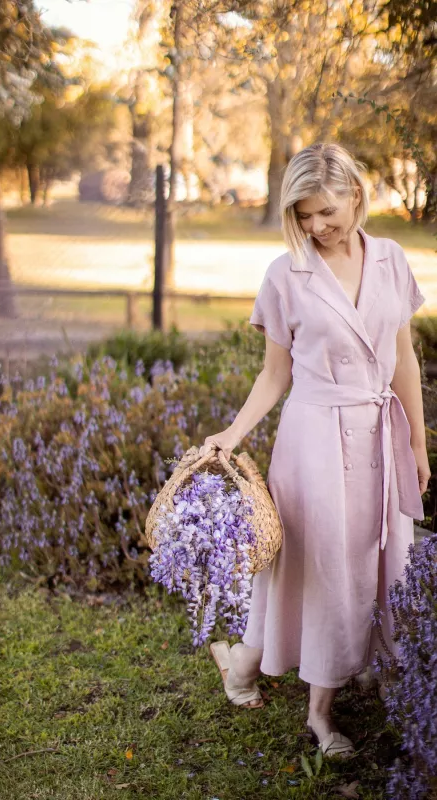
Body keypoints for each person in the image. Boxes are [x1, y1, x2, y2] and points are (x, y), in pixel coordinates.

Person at [198, 142, 431, 758]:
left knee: (379, 560)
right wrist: (231, 434)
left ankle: (245, 664)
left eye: (326, 210)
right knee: (321, 569)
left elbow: (403, 358)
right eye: (303, 214)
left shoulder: (390, 259)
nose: (316, 226)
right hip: (314, 439)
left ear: (356, 194)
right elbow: (275, 376)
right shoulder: (286, 273)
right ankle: (320, 717)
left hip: (379, 431)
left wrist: (417, 439)